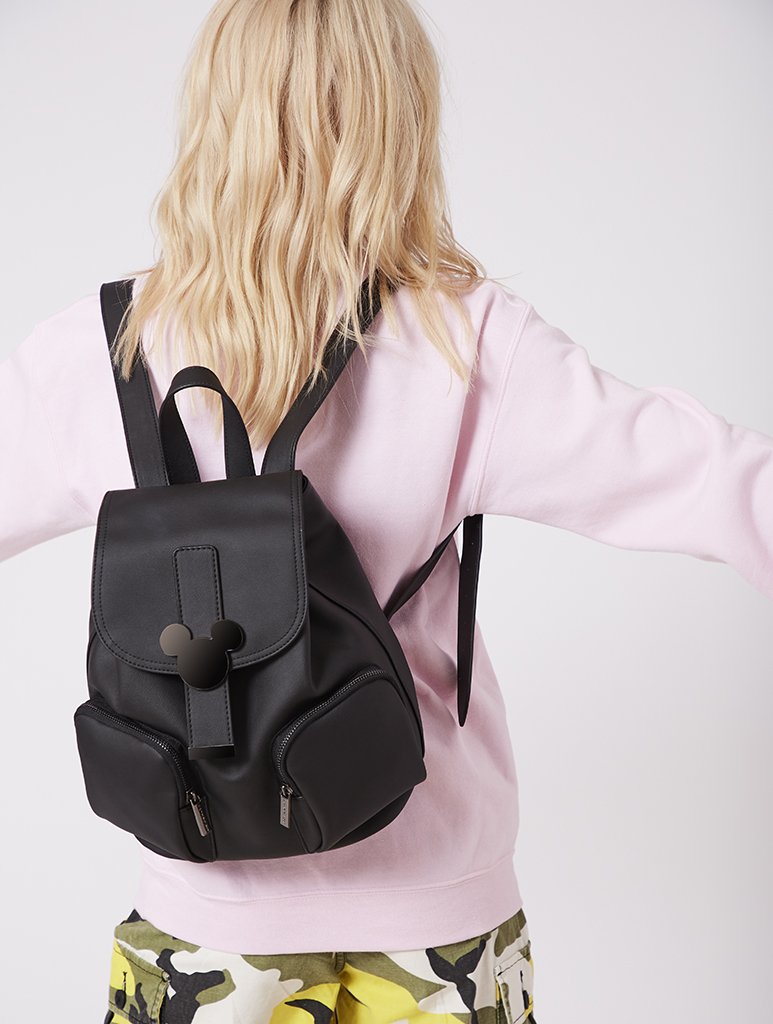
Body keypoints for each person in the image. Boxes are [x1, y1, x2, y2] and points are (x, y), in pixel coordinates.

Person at [1, 1, 771, 1022]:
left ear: (214, 111)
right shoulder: (466, 343)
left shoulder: (100, 349)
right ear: (397, 118)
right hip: (436, 919)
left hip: (202, 913)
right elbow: (720, 485)